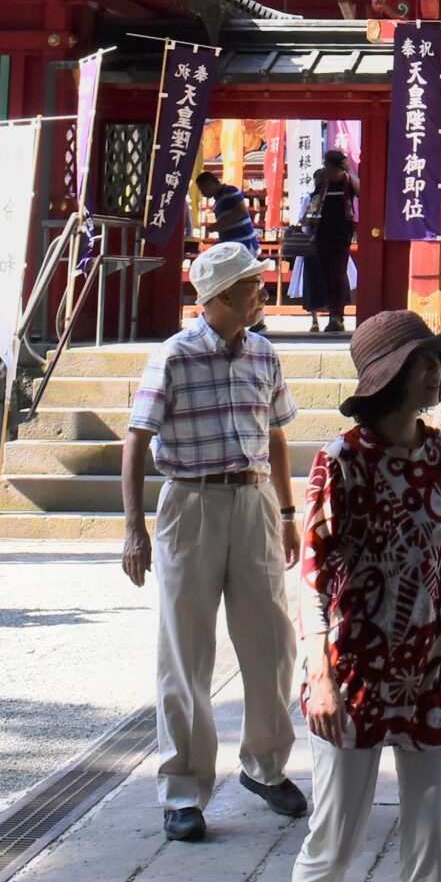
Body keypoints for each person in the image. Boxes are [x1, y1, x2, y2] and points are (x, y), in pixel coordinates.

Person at [291, 311, 441, 882]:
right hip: (352, 669)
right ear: (390, 377)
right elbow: (313, 575)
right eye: (422, 362)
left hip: (429, 669)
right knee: (335, 843)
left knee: (433, 845)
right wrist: (320, 674)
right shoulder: (342, 461)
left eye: (437, 359)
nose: (437, 372)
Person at [122, 241, 309, 840]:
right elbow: (135, 442)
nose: (262, 292)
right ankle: (183, 788)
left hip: (253, 499)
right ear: (221, 297)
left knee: (273, 643)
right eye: (253, 285)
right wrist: (133, 529)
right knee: (186, 651)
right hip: (190, 501)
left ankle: (265, 764)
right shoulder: (173, 358)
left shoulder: (264, 355)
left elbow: (277, 436)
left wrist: (286, 510)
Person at [306, 149, 360, 336]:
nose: (325, 168)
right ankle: (333, 313)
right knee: (327, 276)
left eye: (327, 164)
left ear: (333, 166)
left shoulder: (347, 183)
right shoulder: (323, 184)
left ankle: (337, 316)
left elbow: (362, 192)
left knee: (337, 274)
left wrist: (350, 170)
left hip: (341, 236)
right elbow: (313, 204)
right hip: (322, 235)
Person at [195, 170, 260, 254]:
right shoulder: (217, 201)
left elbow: (241, 211)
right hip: (233, 246)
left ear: (210, 183)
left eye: (202, 189)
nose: (202, 193)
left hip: (244, 244)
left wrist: (217, 226)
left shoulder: (229, 191)